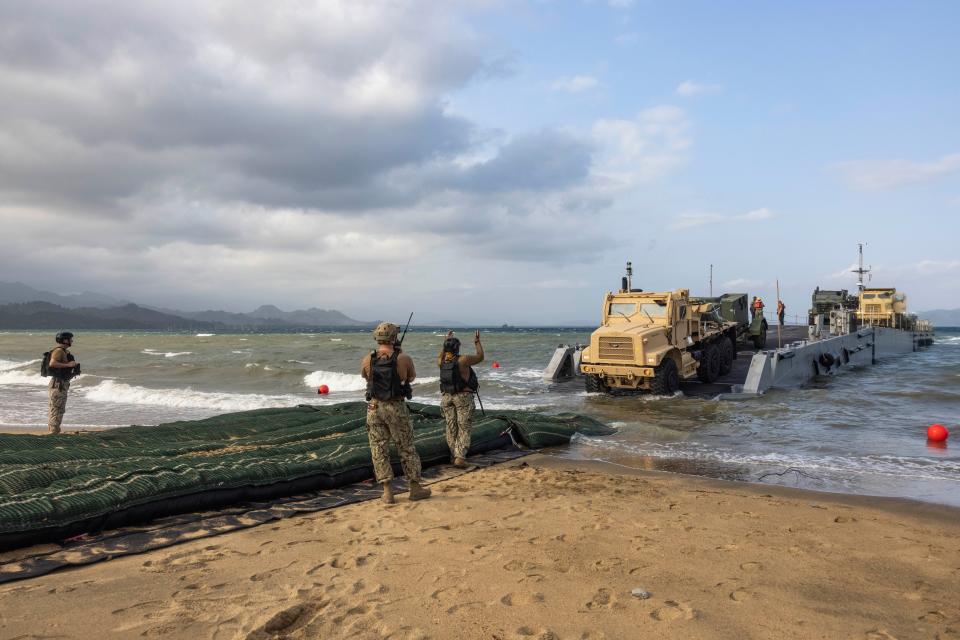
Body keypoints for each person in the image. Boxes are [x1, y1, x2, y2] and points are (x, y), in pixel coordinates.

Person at [360, 322, 431, 504]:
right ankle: (414, 488)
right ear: (394, 338)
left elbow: (365, 376)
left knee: (378, 448)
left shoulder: (368, 358)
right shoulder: (403, 357)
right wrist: (399, 354)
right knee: (406, 447)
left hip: (374, 408)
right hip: (396, 407)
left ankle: (387, 492)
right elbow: (411, 377)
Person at [438, 330, 484, 468]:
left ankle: (454, 455)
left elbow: (442, 353)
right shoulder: (463, 360)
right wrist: (477, 341)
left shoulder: (440, 361)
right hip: (463, 397)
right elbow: (480, 356)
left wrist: (446, 341)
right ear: (457, 348)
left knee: (451, 427)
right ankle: (460, 457)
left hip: (446, 397)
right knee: (464, 427)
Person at [47, 331, 80, 434]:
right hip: (58, 384)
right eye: (70, 339)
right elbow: (52, 363)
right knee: (57, 409)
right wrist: (69, 365)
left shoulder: (64, 352)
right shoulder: (59, 351)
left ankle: (54, 432)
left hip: (61, 383)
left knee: (58, 409)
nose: (72, 341)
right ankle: (53, 434)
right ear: (65, 340)